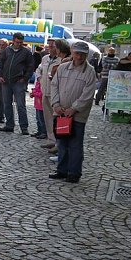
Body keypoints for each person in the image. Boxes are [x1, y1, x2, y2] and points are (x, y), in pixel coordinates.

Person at [49, 41, 97, 183]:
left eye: (83, 54)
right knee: (62, 143)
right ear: (72, 52)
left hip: (78, 115)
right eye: (77, 53)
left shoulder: (90, 71)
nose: (80, 56)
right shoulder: (63, 68)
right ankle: (62, 170)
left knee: (75, 145)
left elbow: (88, 94)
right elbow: (54, 86)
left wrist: (74, 108)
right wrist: (56, 104)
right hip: (61, 113)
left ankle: (74, 172)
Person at [0, 32, 34, 134]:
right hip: (6, 81)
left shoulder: (26, 52)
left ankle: (24, 127)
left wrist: (25, 78)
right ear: (13, 41)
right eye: (17, 42)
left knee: (21, 105)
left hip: (18, 81)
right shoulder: (7, 50)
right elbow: (0, 63)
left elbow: (30, 67)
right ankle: (9, 125)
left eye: (21, 42)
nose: (19, 44)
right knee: (7, 104)